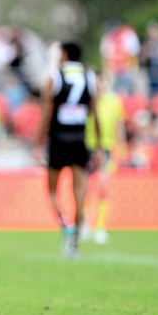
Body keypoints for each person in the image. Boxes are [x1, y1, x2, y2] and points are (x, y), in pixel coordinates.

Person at [34, 41, 101, 259]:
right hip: (80, 138)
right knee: (80, 191)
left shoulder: (54, 76)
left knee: (53, 191)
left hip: (58, 139)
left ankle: (66, 225)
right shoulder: (91, 77)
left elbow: (47, 112)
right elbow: (95, 113)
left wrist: (38, 142)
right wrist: (99, 144)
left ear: (63, 54)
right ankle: (75, 241)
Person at [82, 83, 126, 245]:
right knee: (85, 188)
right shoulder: (87, 100)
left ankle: (100, 227)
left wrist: (120, 147)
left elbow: (118, 125)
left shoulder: (113, 101)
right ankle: (85, 224)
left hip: (106, 147)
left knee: (102, 187)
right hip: (88, 147)